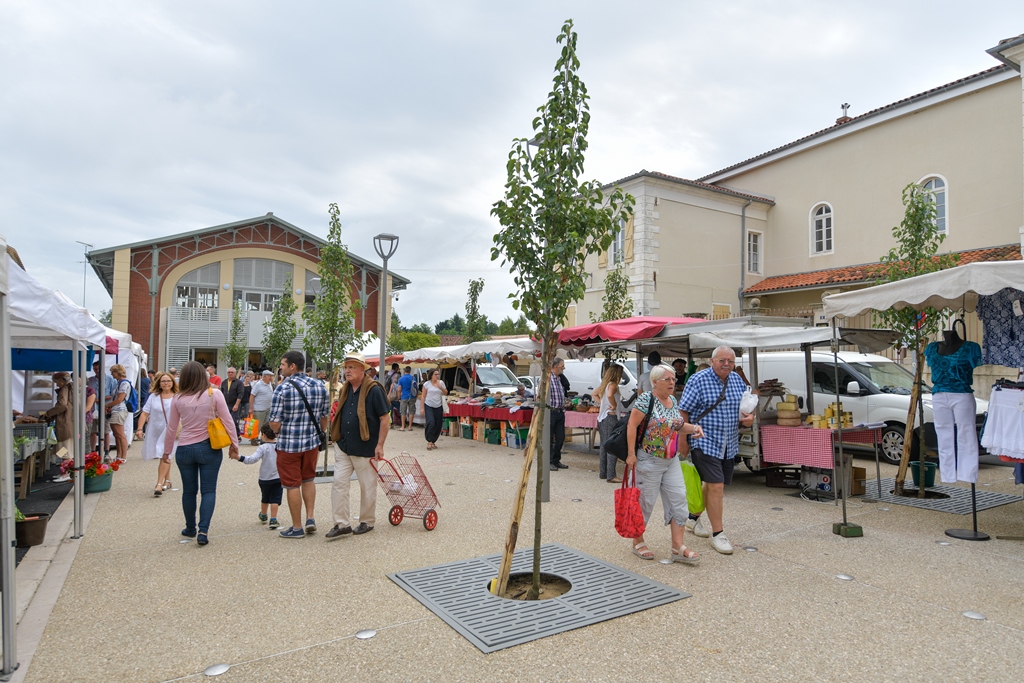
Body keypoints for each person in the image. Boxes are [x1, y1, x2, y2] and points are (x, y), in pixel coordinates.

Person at [678, 346, 754, 555]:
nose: (727, 364)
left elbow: (744, 411)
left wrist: (749, 418)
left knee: (712, 485)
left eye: (730, 360)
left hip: (728, 443)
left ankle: (692, 519)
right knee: (716, 485)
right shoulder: (698, 379)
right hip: (703, 439)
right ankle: (718, 534)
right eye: (722, 360)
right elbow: (683, 410)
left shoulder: (737, 381)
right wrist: (683, 440)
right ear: (712, 361)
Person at [625, 364, 704, 564]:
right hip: (649, 460)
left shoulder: (673, 400)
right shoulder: (646, 399)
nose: (672, 383)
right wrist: (630, 454)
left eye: (673, 379)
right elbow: (632, 425)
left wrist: (694, 428)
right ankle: (638, 542)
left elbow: (678, 425)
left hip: (671, 460)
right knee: (645, 503)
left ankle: (678, 547)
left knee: (679, 499)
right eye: (667, 379)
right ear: (655, 382)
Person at [164, 361, 239, 545]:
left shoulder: (178, 398)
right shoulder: (215, 394)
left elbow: (172, 428)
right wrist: (234, 444)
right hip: (209, 447)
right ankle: (203, 531)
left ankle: (190, 527)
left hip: (185, 448)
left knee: (189, 491)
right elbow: (228, 421)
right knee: (208, 490)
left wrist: (166, 452)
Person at [325, 353, 390, 539]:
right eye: (346, 367)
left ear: (363, 370)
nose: (347, 371)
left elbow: (385, 419)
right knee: (338, 483)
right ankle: (341, 524)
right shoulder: (345, 389)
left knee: (367, 486)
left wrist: (380, 445)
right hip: (344, 445)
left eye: (352, 367)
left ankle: (367, 521)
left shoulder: (373, 390)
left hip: (366, 446)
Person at [268, 350, 329, 539]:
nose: (281, 367)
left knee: (292, 485)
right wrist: (320, 433)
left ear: (292, 366)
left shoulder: (282, 388)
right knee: (309, 479)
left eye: (283, 364)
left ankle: (297, 527)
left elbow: (274, 422)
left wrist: (277, 432)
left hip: (288, 445)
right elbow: (325, 417)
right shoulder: (320, 386)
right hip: (311, 443)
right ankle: (310, 518)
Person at [135, 371, 177, 496]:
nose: (166, 383)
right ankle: (168, 480)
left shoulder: (177, 396)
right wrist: (139, 428)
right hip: (156, 429)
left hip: (171, 430)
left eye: (168, 381)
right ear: (159, 383)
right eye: (163, 381)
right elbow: (144, 413)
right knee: (164, 456)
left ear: (172, 382)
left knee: (164, 454)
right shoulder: (154, 396)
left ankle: (159, 484)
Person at [232, 423, 282, 530]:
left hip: (264, 478)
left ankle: (263, 515)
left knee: (265, 497)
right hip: (278, 477)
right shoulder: (280, 446)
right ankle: (273, 519)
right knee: (275, 499)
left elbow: (252, 459)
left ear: (263, 435)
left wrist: (238, 457)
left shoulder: (263, 448)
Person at [594, 364, 627, 483]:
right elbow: (609, 395)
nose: (622, 375)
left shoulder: (605, 384)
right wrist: (613, 405)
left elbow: (594, 394)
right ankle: (611, 475)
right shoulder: (613, 385)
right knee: (612, 445)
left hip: (602, 418)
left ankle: (603, 472)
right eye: (621, 373)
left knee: (604, 445)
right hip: (610, 417)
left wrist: (602, 404)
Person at [42, 372, 74, 458]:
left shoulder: (64, 389)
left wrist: (48, 413)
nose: (57, 385)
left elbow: (62, 406)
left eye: (56, 383)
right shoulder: (72, 387)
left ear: (61, 380)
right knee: (69, 450)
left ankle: (66, 469)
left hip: (65, 423)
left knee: (64, 452)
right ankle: (69, 468)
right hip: (72, 423)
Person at [106, 364, 133, 463]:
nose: (112, 374)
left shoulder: (124, 383)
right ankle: (119, 455)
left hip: (119, 410)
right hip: (116, 410)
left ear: (118, 372)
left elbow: (120, 399)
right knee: (117, 434)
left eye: (113, 372)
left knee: (120, 434)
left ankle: (123, 456)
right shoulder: (119, 383)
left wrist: (107, 405)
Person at [419, 368, 448, 450]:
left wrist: (441, 388)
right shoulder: (427, 384)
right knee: (431, 422)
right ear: (431, 375)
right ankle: (429, 441)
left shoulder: (441, 382)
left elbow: (446, 392)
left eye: (438, 374)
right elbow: (423, 396)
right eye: (435, 374)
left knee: (438, 424)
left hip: (438, 406)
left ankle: (433, 441)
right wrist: (422, 408)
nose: (437, 376)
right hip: (429, 405)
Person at [548, 358, 567, 471]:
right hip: (551, 411)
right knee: (549, 438)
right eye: (562, 365)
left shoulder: (559, 379)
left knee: (560, 437)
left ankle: (556, 460)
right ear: (555, 366)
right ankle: (549, 461)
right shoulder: (548, 378)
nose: (564, 368)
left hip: (560, 412)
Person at [248, 370, 275, 446]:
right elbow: (252, 396)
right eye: (270, 376)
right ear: (265, 376)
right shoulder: (258, 384)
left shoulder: (269, 384)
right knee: (258, 425)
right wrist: (251, 408)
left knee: (266, 425)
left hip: (268, 408)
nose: (271, 378)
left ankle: (264, 439)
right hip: (259, 409)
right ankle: (254, 439)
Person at [221, 367, 244, 435]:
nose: (230, 373)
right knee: (225, 421)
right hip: (226, 405)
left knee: (234, 420)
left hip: (234, 405)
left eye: (232, 372)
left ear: (235, 373)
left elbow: (240, 394)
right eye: (229, 372)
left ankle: (237, 434)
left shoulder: (239, 383)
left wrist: (236, 405)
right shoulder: (224, 382)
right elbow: (221, 393)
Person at [398, 366, 417, 431]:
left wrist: (399, 397)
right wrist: (416, 396)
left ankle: (403, 426)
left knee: (403, 411)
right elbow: (415, 388)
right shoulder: (413, 378)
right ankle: (410, 426)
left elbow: (399, 389)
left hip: (404, 396)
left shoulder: (401, 379)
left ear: (404, 371)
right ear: (410, 371)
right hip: (412, 396)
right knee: (411, 411)